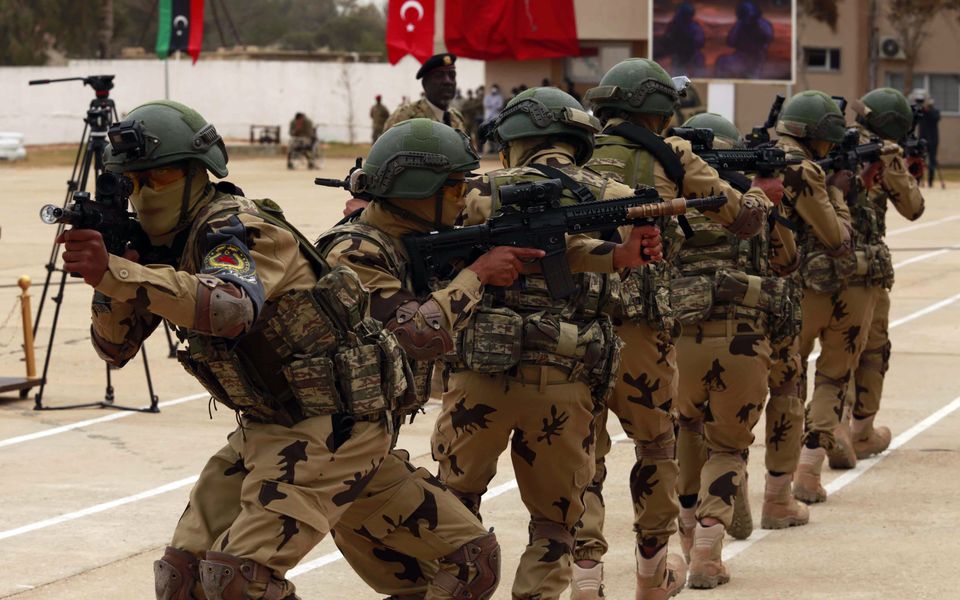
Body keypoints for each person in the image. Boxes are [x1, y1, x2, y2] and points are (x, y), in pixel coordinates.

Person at [60, 100, 405, 599]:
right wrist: (117, 269)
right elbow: (113, 349)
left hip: (336, 421)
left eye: (158, 179)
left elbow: (229, 308)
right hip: (268, 423)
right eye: (133, 183)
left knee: (238, 580)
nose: (143, 195)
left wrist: (116, 271)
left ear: (201, 174)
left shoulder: (236, 228)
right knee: (182, 577)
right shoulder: (167, 246)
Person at [431, 87, 664, 599]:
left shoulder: (477, 194)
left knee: (453, 512)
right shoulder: (607, 195)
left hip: (479, 378)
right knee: (555, 527)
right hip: (564, 380)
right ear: (579, 139)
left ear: (513, 140)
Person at [574, 58, 782, 598]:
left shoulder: (576, 153)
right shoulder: (674, 154)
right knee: (655, 449)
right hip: (644, 329)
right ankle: (653, 575)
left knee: (582, 458)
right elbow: (743, 219)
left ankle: (587, 581)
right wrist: (760, 193)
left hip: (576, 329)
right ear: (662, 111)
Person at [315, 119, 525, 599]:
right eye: (453, 187)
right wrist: (477, 275)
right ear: (415, 191)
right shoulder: (354, 251)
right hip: (334, 454)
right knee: (472, 560)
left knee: (417, 584)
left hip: (362, 450)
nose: (463, 198)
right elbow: (414, 334)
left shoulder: (399, 245)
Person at [668, 112, 798, 589]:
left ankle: (684, 534)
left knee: (685, 428)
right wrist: (769, 198)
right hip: (743, 339)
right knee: (728, 446)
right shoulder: (750, 205)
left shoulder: (673, 198)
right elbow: (786, 261)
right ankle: (707, 548)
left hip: (680, 339)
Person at [771, 91, 866, 506]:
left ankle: (773, 481)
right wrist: (839, 193)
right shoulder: (805, 168)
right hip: (819, 285)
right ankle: (807, 472)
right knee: (832, 375)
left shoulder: (762, 154)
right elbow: (836, 239)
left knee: (786, 381)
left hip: (777, 290)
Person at [838, 88, 925, 463]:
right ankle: (861, 431)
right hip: (866, 271)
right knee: (872, 349)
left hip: (822, 268)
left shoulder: (834, 146)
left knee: (834, 353)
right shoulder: (884, 155)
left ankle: (833, 424)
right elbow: (913, 207)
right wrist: (902, 169)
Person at [383, 53, 466, 133]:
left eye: (452, 75)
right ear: (425, 84)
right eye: (439, 75)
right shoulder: (405, 117)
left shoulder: (456, 118)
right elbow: (385, 146)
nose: (448, 81)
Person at [714, 0, 774, 79]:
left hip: (747, 59)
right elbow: (730, 41)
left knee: (721, 62)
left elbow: (731, 41)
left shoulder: (742, 24)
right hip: (755, 59)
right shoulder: (765, 24)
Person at [654, 2, 705, 77]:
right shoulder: (673, 26)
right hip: (678, 58)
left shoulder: (694, 27)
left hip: (692, 57)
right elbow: (666, 42)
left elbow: (699, 42)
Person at [914, 91, 941, 188]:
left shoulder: (935, 111)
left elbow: (936, 118)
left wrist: (928, 109)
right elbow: (915, 119)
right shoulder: (921, 112)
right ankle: (920, 181)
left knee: (932, 160)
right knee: (921, 160)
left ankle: (930, 182)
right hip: (922, 139)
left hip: (933, 139)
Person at [482, 84, 505, 153]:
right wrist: (495, 105)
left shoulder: (499, 97)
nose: (494, 89)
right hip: (488, 118)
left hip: (496, 118)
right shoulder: (487, 97)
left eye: (495, 88)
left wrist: (492, 105)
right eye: (493, 88)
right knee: (489, 133)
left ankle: (497, 149)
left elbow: (500, 106)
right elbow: (486, 104)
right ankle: (491, 149)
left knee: (496, 133)